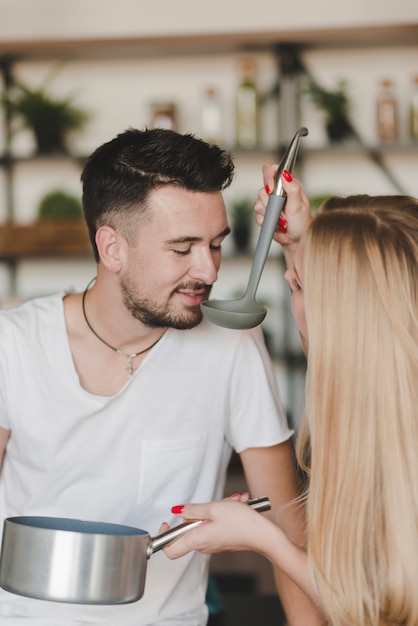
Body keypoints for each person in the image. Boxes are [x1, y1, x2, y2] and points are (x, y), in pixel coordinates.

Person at [0, 130, 322, 626]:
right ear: (112, 248)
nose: (209, 270)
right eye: (183, 248)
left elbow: (286, 521)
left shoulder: (231, 347)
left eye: (215, 244)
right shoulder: (12, 345)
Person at [164, 168, 418, 626]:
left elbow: (381, 605)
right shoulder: (385, 398)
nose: (287, 284)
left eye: (300, 286)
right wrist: (301, 245)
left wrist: (265, 539)